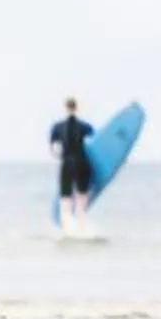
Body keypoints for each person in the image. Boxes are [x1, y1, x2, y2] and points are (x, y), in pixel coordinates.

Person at [49, 97, 96, 233]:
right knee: (81, 197)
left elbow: (53, 149)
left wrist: (60, 156)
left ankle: (67, 229)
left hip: (67, 164)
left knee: (65, 198)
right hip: (82, 162)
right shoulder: (85, 126)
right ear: (76, 108)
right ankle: (81, 228)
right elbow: (95, 139)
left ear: (65, 108)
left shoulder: (57, 127)